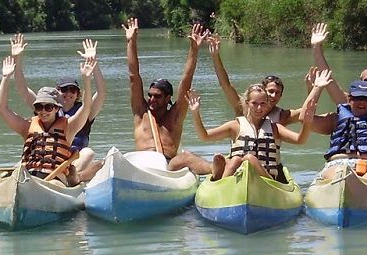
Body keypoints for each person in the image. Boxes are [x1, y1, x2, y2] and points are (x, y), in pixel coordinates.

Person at [186, 70, 331, 181]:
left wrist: (308, 122)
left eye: (262, 104)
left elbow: (301, 140)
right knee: (236, 159)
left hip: (267, 180)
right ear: (247, 103)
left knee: (249, 158)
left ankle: (220, 174)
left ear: (268, 104)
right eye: (254, 104)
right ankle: (221, 180)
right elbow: (204, 136)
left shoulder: (274, 127)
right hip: (238, 174)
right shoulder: (235, 125)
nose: (259, 108)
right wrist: (195, 113)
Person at [11, 35, 108, 182]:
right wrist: (17, 59)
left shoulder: (84, 111)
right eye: (64, 90)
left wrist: (93, 64)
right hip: (48, 157)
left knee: (88, 152)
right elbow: (23, 90)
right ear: (57, 92)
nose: (68, 94)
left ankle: (77, 177)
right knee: (20, 164)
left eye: (72, 90)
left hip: (74, 158)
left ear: (78, 94)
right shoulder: (46, 109)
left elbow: (101, 93)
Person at [0, 52, 96, 183]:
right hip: (29, 177)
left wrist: (87, 79)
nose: (43, 111)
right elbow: (0, 108)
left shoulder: (69, 127)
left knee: (54, 183)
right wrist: (5, 77)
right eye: (39, 107)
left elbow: (87, 107)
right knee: (12, 179)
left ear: (56, 108)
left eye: (48, 107)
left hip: (55, 179)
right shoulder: (27, 127)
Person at [125, 19, 209, 173]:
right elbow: (133, 76)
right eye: (150, 95)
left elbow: (185, 82)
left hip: (168, 166)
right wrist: (131, 41)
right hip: (142, 165)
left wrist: (194, 49)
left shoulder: (175, 116)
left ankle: (217, 171)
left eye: (157, 96)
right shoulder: (141, 112)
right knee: (109, 159)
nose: (151, 99)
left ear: (168, 98)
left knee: (187, 157)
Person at [206, 31, 310, 125]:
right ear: (263, 91)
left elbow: (308, 111)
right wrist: (215, 56)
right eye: (271, 91)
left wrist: (313, 88)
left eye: (277, 93)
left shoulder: (283, 116)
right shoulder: (244, 107)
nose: (273, 96)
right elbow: (225, 85)